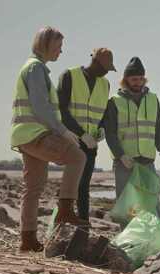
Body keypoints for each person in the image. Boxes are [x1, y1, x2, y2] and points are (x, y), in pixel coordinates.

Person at [10, 26, 86, 252]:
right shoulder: (36, 69)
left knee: (33, 187)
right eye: (59, 46)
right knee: (77, 157)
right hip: (35, 134)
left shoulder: (34, 68)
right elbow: (41, 106)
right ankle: (65, 211)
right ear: (46, 45)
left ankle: (28, 239)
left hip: (24, 135)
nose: (61, 52)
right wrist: (62, 131)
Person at [102, 57, 160, 215]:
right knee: (126, 206)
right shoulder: (114, 101)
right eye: (134, 79)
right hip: (125, 162)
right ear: (125, 80)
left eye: (141, 79)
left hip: (147, 161)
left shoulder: (153, 99)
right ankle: (127, 239)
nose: (138, 83)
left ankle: (151, 238)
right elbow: (110, 133)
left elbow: (158, 127)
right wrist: (120, 155)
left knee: (151, 204)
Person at [57, 48, 116, 224]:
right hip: (71, 140)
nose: (107, 72)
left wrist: (102, 130)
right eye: (106, 68)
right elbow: (60, 109)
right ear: (96, 63)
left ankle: (83, 224)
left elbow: (102, 112)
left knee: (84, 186)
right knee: (70, 185)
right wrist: (81, 134)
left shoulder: (104, 84)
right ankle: (62, 220)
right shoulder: (69, 76)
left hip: (91, 143)